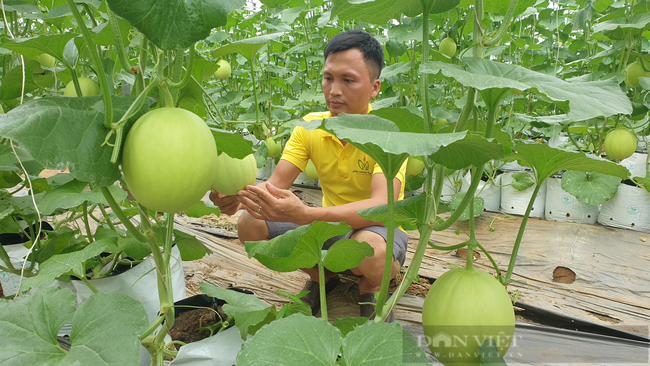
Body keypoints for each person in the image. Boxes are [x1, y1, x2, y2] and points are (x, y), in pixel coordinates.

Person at [209, 30, 408, 322]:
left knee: (375, 250)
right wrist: (239, 198)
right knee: (250, 224)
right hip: (327, 225)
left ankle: (372, 287)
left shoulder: (390, 133)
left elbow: (382, 208)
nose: (334, 90)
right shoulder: (310, 127)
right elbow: (275, 185)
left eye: (348, 80)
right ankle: (323, 277)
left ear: (375, 87)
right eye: (329, 78)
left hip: (376, 229)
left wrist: (305, 215)